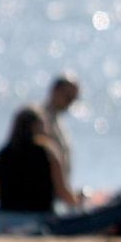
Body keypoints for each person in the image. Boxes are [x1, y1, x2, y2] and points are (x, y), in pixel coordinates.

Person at [0, 105, 78, 235]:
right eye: (43, 125)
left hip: (3, 221)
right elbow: (62, 191)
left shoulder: (2, 153)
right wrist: (79, 204)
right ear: (36, 126)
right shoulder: (48, 152)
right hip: (37, 220)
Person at [40, 74, 81, 207]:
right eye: (68, 97)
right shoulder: (41, 120)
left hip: (58, 197)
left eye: (74, 99)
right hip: (46, 199)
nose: (70, 103)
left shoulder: (56, 120)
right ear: (55, 91)